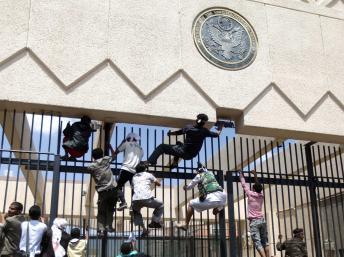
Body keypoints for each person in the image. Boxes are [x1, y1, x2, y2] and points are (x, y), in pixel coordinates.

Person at [146, 113, 223, 168]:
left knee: (161, 147)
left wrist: (171, 134)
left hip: (183, 151)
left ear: (197, 120)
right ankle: (175, 163)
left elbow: (179, 132)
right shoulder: (205, 131)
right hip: (190, 156)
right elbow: (217, 135)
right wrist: (221, 128)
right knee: (179, 144)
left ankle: (150, 162)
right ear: (204, 123)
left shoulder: (189, 127)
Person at [176, 163, 226, 231]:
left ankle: (186, 225)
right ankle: (217, 209)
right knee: (215, 211)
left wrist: (185, 187)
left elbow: (189, 187)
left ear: (198, 171)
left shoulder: (199, 175)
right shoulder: (211, 173)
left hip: (212, 197)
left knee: (191, 204)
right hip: (223, 196)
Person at [239, 170, 269, 257]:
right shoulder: (261, 195)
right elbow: (258, 187)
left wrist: (241, 174)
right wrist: (255, 175)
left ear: (254, 189)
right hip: (262, 220)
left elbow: (244, 185)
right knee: (265, 241)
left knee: (257, 241)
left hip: (254, 222)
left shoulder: (250, 194)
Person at [88, 147, 117, 236]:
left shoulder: (91, 166)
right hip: (112, 189)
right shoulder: (106, 160)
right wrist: (111, 147)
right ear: (102, 155)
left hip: (102, 191)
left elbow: (90, 170)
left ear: (93, 157)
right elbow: (114, 156)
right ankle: (109, 226)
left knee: (101, 211)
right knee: (110, 209)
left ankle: (100, 230)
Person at [112, 133, 144, 211]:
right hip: (135, 172)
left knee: (117, 186)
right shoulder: (141, 149)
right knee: (134, 189)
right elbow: (139, 160)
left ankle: (123, 203)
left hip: (125, 169)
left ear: (130, 138)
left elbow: (116, 152)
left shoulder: (126, 144)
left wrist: (122, 142)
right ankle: (133, 206)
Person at [131, 163, 163, 237]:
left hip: (135, 200)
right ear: (144, 169)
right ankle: (154, 222)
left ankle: (144, 230)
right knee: (161, 204)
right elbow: (158, 184)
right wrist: (152, 178)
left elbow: (133, 187)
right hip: (147, 198)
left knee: (136, 212)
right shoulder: (148, 174)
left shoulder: (134, 177)